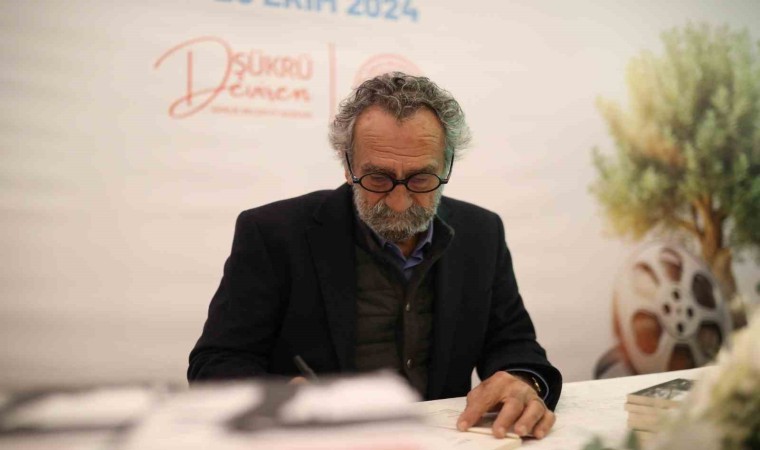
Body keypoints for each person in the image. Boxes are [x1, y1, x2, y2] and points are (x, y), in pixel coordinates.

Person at [188, 72, 562, 439]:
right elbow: (214, 365)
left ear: (448, 166)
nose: (399, 202)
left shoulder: (481, 233)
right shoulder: (274, 234)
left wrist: (523, 381)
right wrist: (286, 395)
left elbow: (514, 344)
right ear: (347, 165)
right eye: (378, 179)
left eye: (421, 179)